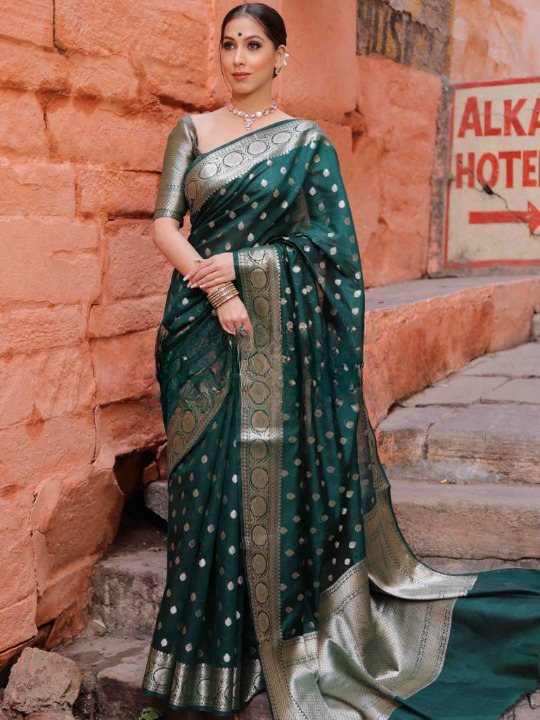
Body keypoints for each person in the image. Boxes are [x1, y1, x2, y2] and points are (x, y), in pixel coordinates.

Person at [140, 3, 540, 718]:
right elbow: (166, 223)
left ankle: (275, 641)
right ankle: (206, 663)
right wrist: (217, 284)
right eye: (229, 44)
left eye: (253, 45)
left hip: (277, 342)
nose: (238, 58)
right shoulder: (192, 131)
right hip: (196, 334)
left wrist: (244, 266)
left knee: (262, 487)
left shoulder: (307, 143)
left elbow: (332, 257)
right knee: (204, 490)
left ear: (280, 57)